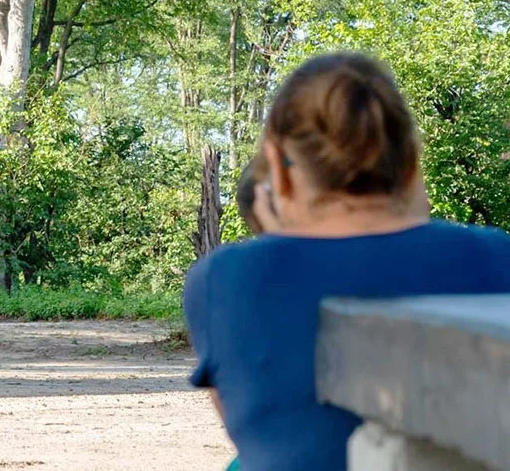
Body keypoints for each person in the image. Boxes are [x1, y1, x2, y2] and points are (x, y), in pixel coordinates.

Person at [184, 52, 510, 470]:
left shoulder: (225, 279)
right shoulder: (497, 257)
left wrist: (273, 242)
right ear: (411, 162)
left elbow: (258, 440)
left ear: (281, 173)